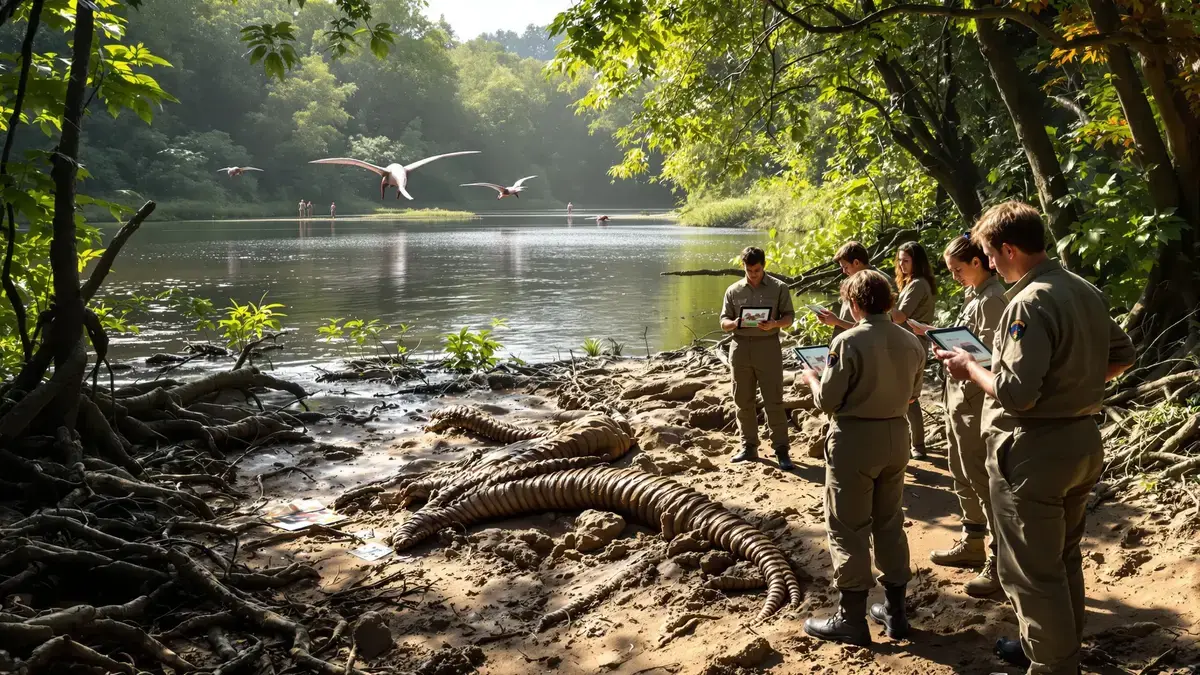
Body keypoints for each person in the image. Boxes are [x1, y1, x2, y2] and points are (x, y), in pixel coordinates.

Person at [934, 201, 1135, 675]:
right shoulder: (1082, 288)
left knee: (1028, 570)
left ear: (1008, 249)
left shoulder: (1027, 301)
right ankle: (1055, 649)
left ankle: (1052, 665)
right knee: (1062, 558)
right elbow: (1122, 353)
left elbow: (1017, 394)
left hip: (1033, 451)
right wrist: (1077, 383)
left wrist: (969, 368)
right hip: (1082, 441)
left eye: (990, 254)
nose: (991, 264)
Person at [798, 269, 924, 646]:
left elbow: (828, 401)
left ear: (854, 304)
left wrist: (811, 378)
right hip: (896, 435)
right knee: (890, 521)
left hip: (855, 438)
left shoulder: (847, 342)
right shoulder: (911, 342)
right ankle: (895, 612)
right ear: (888, 301)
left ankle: (851, 618)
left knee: (847, 526)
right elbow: (914, 395)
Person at [911, 234, 1007, 596]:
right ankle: (972, 541)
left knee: (982, 479)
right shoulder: (975, 295)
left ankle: (998, 562)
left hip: (976, 403)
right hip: (958, 399)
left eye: (958, 269)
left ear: (979, 263)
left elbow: (992, 357)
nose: (953, 277)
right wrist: (937, 335)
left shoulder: (994, 298)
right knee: (961, 472)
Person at [720, 246, 796, 470]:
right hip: (740, 348)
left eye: (757, 270)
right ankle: (749, 447)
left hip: (768, 348)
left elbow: (789, 317)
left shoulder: (779, 287)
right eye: (749, 270)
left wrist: (774, 324)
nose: (753, 274)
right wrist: (734, 324)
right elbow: (723, 320)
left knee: (774, 400)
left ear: (764, 266)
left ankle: (781, 450)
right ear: (743, 266)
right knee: (743, 400)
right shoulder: (733, 290)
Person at [891, 241, 938, 459]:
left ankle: (917, 446)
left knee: (910, 397)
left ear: (916, 262)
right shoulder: (911, 283)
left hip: (914, 345)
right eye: (899, 260)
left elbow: (900, 316)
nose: (901, 265)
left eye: (906, 261)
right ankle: (912, 443)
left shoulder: (918, 284)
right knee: (907, 395)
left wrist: (882, 300)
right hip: (908, 343)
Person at [814, 241, 896, 337]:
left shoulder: (881, 282)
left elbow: (877, 328)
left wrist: (837, 321)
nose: (844, 271)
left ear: (856, 262)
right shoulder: (853, 280)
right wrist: (834, 320)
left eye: (845, 267)